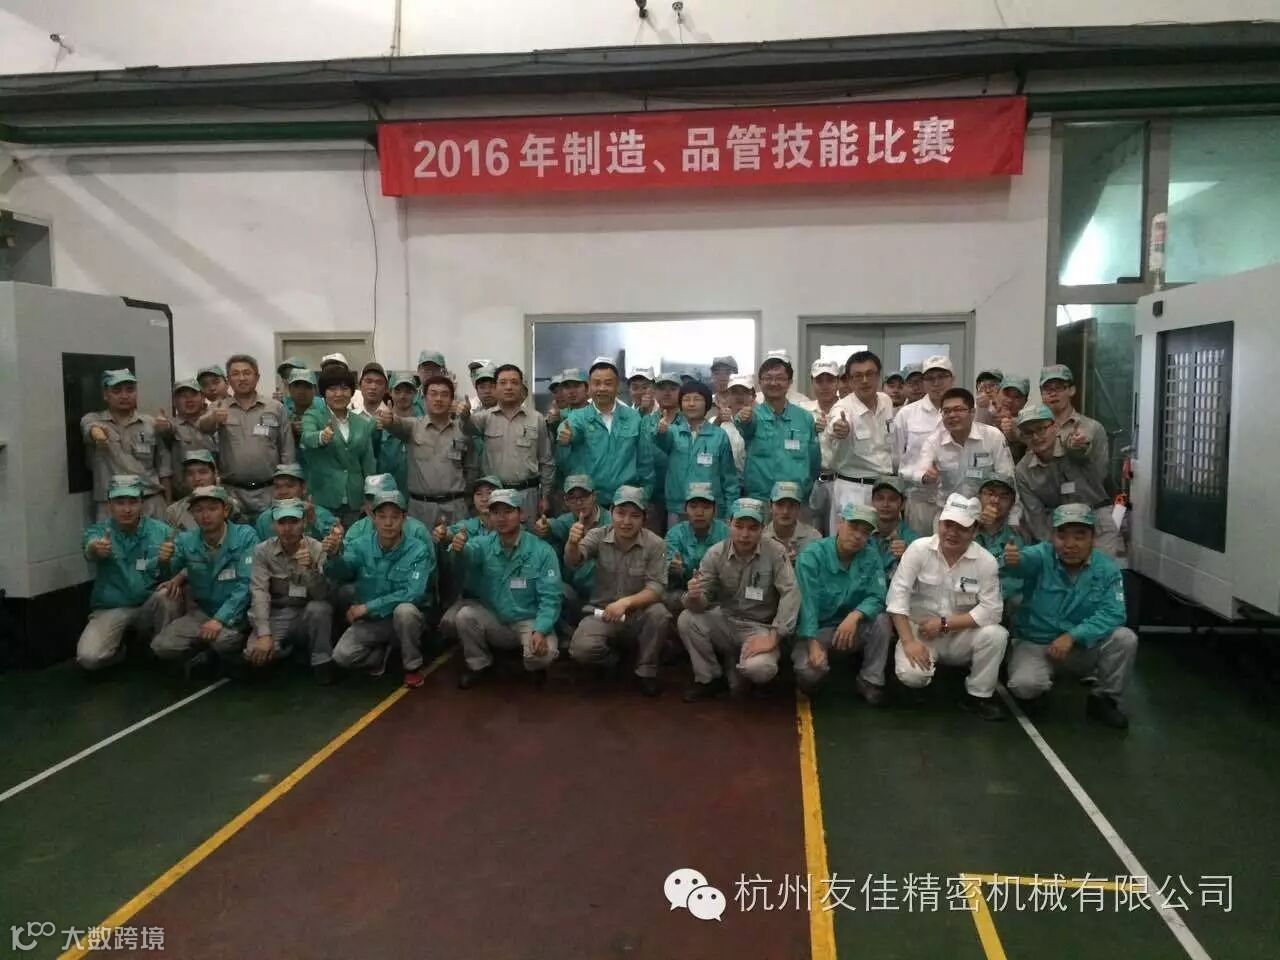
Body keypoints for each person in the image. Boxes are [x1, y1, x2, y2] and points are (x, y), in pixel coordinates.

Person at [1004, 503, 1137, 729]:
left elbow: (1114, 613)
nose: (1070, 544)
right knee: (1025, 686)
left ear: (1093, 538)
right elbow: (1020, 563)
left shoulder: (1107, 568)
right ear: (1052, 537)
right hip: (1037, 644)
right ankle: (1037, 689)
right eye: (1062, 536)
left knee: (1124, 638)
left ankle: (1104, 699)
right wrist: (1013, 559)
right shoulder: (1041, 555)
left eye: (1079, 536)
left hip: (1081, 649)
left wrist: (1073, 636)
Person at [886, 493, 1008, 721]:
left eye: (962, 528)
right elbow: (897, 598)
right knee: (913, 676)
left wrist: (944, 624)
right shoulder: (918, 549)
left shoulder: (986, 562)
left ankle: (978, 696)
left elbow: (992, 611)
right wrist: (909, 642)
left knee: (996, 635)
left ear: (975, 531)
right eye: (947, 524)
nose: (952, 532)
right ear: (939, 523)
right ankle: (909, 679)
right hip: (919, 633)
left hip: (959, 634)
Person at [678, 497, 801, 701]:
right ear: (729, 524)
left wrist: (774, 636)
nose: (744, 534)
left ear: (763, 528)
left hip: (760, 626)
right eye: (739, 526)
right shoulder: (715, 553)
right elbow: (701, 604)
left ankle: (741, 670)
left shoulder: (776, 552)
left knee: (760, 669)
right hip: (726, 620)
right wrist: (693, 596)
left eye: (752, 528)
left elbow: (791, 593)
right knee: (687, 619)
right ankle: (710, 677)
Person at [450, 489, 564, 688]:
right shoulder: (483, 545)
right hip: (496, 619)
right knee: (464, 616)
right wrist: (458, 548)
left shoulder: (542, 551)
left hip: (529, 621)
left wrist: (540, 629)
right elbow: (468, 554)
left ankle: (533, 666)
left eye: (508, 511)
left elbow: (551, 598)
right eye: (495, 512)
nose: (501, 518)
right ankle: (479, 664)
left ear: (521, 514)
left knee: (543, 655)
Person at [565, 485, 671, 697]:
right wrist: (572, 543)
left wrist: (626, 603)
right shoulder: (598, 535)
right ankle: (613, 661)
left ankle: (646, 671)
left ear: (644, 518)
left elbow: (656, 588)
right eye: (621, 513)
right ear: (611, 512)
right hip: (602, 612)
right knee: (581, 649)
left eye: (635, 515)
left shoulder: (656, 544)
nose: (626, 521)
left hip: (638, 613)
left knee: (660, 614)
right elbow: (573, 561)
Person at [328, 489, 433, 688]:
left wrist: (368, 607)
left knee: (406, 611)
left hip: (404, 620)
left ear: (404, 519)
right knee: (341, 656)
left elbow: (414, 593)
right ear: (373, 518)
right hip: (372, 621)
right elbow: (340, 572)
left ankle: (412, 667)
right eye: (382, 516)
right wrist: (334, 556)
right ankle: (380, 657)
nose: (388, 523)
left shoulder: (418, 549)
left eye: (395, 517)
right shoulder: (360, 546)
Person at [151, 485, 259, 680]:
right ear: (192, 514)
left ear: (225, 510)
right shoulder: (186, 540)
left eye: (212, 508)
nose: (205, 515)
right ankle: (202, 653)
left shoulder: (245, 536)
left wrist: (220, 619)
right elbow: (169, 573)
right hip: (202, 612)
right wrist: (163, 561)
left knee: (224, 641)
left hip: (238, 614)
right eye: (198, 510)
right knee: (162, 646)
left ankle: (234, 656)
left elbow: (247, 584)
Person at [792, 502, 891, 701]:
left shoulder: (871, 557)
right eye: (853, 527)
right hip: (817, 629)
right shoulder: (812, 556)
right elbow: (806, 605)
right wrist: (812, 642)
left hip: (853, 627)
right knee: (810, 672)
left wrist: (855, 615)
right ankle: (809, 682)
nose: (858, 536)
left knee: (882, 621)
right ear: (839, 523)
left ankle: (870, 679)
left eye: (865, 532)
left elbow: (878, 596)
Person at [76, 475, 176, 671]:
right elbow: (90, 548)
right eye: (120, 502)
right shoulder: (98, 532)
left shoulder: (163, 532)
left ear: (142, 503)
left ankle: (160, 648)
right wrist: (96, 549)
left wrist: (167, 562)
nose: (127, 509)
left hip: (150, 604)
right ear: (109, 505)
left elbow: (176, 573)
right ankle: (121, 650)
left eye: (133, 502)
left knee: (168, 596)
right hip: (113, 607)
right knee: (89, 658)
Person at [247, 500, 337, 684]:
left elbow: (322, 595)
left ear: (304, 523)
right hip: (277, 613)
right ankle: (290, 650)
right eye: (282, 522)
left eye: (294, 522)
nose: (287, 529)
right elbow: (259, 592)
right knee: (254, 655)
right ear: (273, 525)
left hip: (305, 613)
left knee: (320, 609)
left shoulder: (317, 548)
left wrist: (310, 569)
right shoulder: (262, 551)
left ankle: (321, 661)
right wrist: (264, 634)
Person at [198, 354, 296, 521]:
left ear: (257, 377)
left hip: (270, 491)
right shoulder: (219, 407)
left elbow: (287, 450)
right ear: (229, 380)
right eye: (235, 374)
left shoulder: (275, 408)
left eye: (246, 373)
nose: (242, 378)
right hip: (232, 492)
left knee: (270, 535)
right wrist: (214, 418)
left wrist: (287, 488)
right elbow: (203, 426)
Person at [456, 363, 554, 527]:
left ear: (521, 387)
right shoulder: (485, 417)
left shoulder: (536, 419)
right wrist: (464, 416)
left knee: (527, 537)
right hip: (496, 495)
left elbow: (546, 460)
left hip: (527, 494)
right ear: (495, 388)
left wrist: (545, 496)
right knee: (496, 537)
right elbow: (467, 428)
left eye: (514, 382)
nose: (509, 387)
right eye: (503, 382)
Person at [1013, 404, 1119, 554]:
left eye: (1041, 429)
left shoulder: (1073, 447)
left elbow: (1085, 449)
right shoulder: (1023, 471)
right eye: (1028, 432)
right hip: (1058, 529)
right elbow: (1037, 518)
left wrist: (1081, 445)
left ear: (1055, 427)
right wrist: (1054, 550)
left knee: (1102, 567)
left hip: (1096, 520)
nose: (1036, 437)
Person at [1037, 364, 1117, 551]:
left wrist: (1079, 450)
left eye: (1059, 387)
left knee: (1101, 567)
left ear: (1071, 390)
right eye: (1047, 389)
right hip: (1057, 519)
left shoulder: (1091, 427)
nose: (1053, 393)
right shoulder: (1036, 432)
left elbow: (1100, 473)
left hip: (1094, 513)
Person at [556, 359, 654, 509]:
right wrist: (565, 439)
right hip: (589, 501)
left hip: (626, 500)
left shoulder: (634, 418)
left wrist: (645, 494)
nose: (602, 388)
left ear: (617, 386)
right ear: (589, 387)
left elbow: (645, 461)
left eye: (608, 383)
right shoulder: (577, 417)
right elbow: (568, 433)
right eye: (597, 383)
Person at [381, 374, 474, 529]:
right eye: (433, 394)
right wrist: (389, 420)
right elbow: (396, 425)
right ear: (424, 398)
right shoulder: (412, 427)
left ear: (452, 400)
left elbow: (472, 469)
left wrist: (468, 501)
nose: (438, 399)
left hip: (455, 507)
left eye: (444, 394)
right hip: (420, 509)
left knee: (456, 544)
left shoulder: (462, 431)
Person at [81, 368, 172, 520]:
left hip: (149, 500)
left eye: (130, 390)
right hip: (111, 504)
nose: (124, 396)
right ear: (105, 394)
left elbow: (164, 467)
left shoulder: (150, 423)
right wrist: (99, 436)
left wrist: (168, 504)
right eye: (117, 391)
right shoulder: (94, 420)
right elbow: (90, 429)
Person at [736, 355, 820, 518]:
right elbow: (744, 426)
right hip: (760, 502)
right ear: (760, 382)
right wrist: (743, 418)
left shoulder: (805, 418)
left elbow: (814, 460)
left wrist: (805, 489)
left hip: (796, 502)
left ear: (789, 382)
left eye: (780, 378)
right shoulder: (752, 416)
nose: (773, 383)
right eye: (768, 378)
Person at [907, 387, 1014, 512]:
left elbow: (1007, 478)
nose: (952, 415)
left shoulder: (993, 436)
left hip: (984, 512)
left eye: (958, 409)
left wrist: (1011, 517)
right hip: (948, 513)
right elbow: (919, 471)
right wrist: (925, 477)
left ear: (972, 412)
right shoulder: (934, 441)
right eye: (946, 411)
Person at [826, 350, 895, 529]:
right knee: (850, 543)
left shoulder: (886, 401)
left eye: (869, 374)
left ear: (878, 376)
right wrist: (840, 427)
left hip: (885, 490)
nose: (864, 380)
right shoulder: (842, 408)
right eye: (858, 376)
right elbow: (836, 422)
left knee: (885, 541)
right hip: (854, 489)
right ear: (849, 381)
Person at [301, 366, 375, 528]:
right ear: (323, 392)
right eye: (332, 389)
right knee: (326, 541)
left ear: (352, 391)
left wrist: (370, 498)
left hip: (355, 500)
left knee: (352, 541)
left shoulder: (362, 423)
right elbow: (307, 437)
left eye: (344, 388)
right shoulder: (313, 415)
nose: (339, 394)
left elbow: (368, 463)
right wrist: (321, 437)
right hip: (324, 497)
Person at [654, 379, 737, 523]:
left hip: (711, 508)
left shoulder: (719, 435)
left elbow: (729, 478)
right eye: (686, 399)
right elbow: (663, 443)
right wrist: (661, 432)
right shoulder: (672, 432)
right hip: (678, 507)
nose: (691, 404)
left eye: (697, 399)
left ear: (707, 403)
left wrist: (730, 512)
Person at [893, 356, 954, 532]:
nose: (936, 383)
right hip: (919, 500)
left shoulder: (962, 411)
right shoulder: (907, 414)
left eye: (941, 377)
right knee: (917, 547)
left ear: (952, 379)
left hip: (955, 501)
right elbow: (896, 461)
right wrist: (919, 475)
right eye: (930, 378)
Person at [663, 482, 729, 616]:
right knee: (669, 597)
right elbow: (663, 570)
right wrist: (673, 569)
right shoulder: (675, 533)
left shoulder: (726, 532)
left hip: (718, 590)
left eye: (706, 507)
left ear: (715, 510)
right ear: (685, 509)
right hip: (684, 590)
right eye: (693, 507)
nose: (699, 513)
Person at [802, 359, 842, 535]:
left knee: (837, 535)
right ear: (812, 382)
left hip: (840, 481)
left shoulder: (847, 409)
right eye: (819, 381)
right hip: (812, 482)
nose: (825, 386)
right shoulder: (803, 411)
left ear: (838, 382)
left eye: (830, 380)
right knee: (811, 534)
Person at [974, 473, 1025, 607]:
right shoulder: (965, 528)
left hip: (997, 603)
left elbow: (1013, 581)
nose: (995, 500)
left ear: (1012, 504)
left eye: (1003, 496)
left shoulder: (1015, 538)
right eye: (990, 494)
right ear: (979, 497)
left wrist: (987, 598)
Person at [641, 371, 683, 532]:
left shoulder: (688, 421)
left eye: (672, 388)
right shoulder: (645, 421)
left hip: (681, 496)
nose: (667, 392)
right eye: (662, 388)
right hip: (651, 496)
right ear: (654, 392)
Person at [159, 378, 216, 497]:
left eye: (193, 395)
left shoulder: (215, 422)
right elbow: (165, 470)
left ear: (202, 398)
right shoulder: (168, 427)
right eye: (183, 396)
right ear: (174, 401)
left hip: (215, 496)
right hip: (182, 497)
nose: (189, 400)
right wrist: (168, 501)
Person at [252, 464, 338, 542]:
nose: (283, 492)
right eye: (277, 487)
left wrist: (314, 522)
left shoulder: (322, 515)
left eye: (290, 486)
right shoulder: (264, 519)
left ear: (303, 488)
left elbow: (336, 549)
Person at [165, 450, 245, 531]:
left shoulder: (230, 506)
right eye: (190, 474)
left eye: (203, 472)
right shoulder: (174, 511)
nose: (196, 478)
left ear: (215, 474)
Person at [376, 371, 419, 492]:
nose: (402, 396)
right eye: (397, 391)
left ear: (415, 393)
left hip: (417, 494)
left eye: (408, 392)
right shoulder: (379, 423)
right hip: (387, 493)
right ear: (390, 392)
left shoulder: (423, 423)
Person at [869, 475, 919, 577]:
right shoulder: (862, 534)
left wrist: (908, 556)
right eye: (880, 498)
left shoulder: (914, 541)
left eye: (892, 499)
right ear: (872, 502)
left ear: (903, 504)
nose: (885, 504)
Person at [764, 481, 822, 562]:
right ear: (770, 506)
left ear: (799, 508)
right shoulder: (760, 538)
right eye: (780, 504)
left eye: (792, 505)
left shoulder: (813, 538)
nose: (785, 511)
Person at [718, 374, 752, 476]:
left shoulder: (761, 422)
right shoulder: (717, 423)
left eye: (745, 392)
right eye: (734, 392)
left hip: (752, 480)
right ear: (728, 396)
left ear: (751, 396)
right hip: (724, 480)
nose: (739, 396)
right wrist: (718, 420)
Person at [996, 375, 1030, 463]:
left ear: (1025, 401)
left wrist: (1017, 436)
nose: (1010, 400)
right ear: (997, 393)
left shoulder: (1028, 425)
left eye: (1017, 397)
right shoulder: (985, 415)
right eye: (1006, 394)